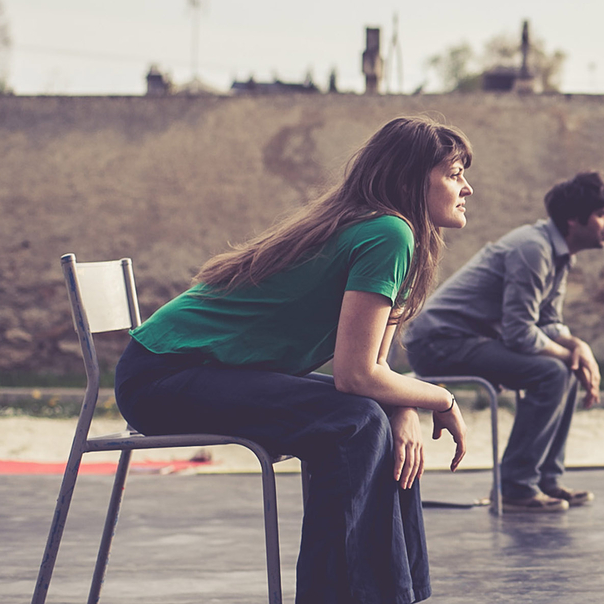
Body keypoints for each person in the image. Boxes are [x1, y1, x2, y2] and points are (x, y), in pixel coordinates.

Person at [114, 115, 471, 604]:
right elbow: (355, 376)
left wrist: (404, 407)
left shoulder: (396, 237)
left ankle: (392, 594)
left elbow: (374, 372)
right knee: (356, 423)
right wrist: (443, 400)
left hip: (200, 372)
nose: (466, 187)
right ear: (413, 177)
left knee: (372, 420)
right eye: (454, 173)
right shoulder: (388, 233)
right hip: (163, 377)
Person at [402, 171, 604, 513]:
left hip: (470, 338)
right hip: (439, 342)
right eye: (603, 214)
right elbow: (520, 332)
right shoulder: (533, 249)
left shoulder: (557, 252)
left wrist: (578, 348)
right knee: (552, 373)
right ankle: (516, 487)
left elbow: (546, 322)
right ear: (575, 220)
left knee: (564, 368)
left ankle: (545, 479)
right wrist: (567, 355)